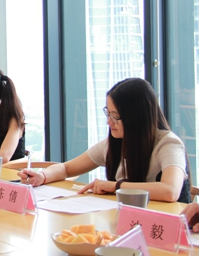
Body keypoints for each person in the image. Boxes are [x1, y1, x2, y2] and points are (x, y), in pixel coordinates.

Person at [17, 78, 190, 203]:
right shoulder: (114, 142)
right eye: (108, 113)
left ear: (137, 118)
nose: (109, 122)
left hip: (167, 226)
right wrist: (41, 176)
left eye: (115, 116)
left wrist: (115, 186)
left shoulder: (168, 144)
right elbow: (66, 168)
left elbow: (170, 191)